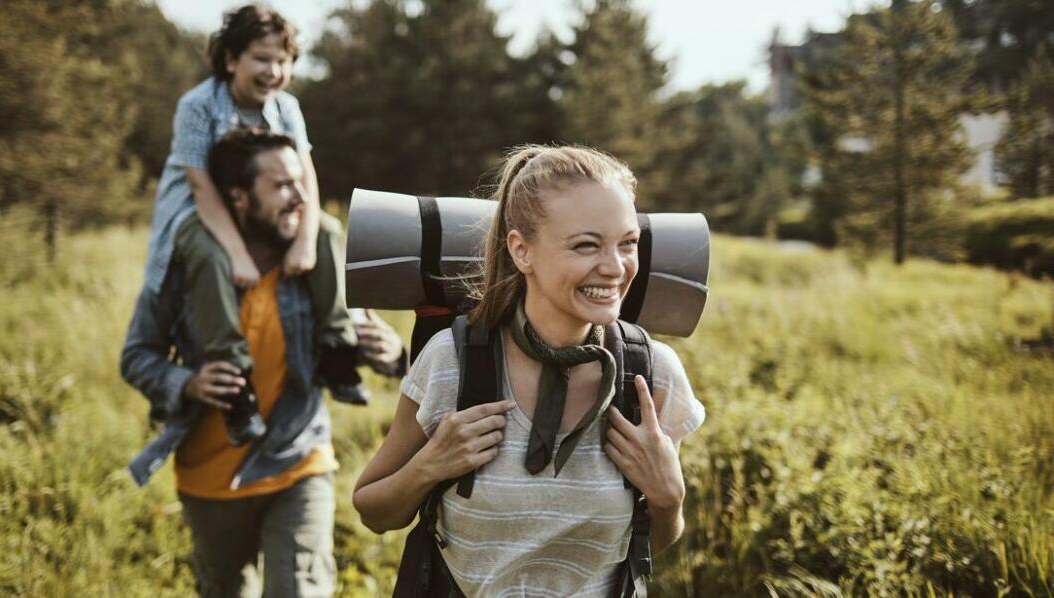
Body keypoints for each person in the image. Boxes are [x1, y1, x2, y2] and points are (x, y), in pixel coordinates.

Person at [352, 145, 705, 597]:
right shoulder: (451, 363)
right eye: (586, 245)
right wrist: (428, 467)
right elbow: (373, 511)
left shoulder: (652, 376)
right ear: (522, 251)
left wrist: (668, 497)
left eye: (628, 243)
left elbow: (646, 546)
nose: (616, 267)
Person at [121, 129, 408, 597]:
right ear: (238, 197)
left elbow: (368, 346)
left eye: (300, 182)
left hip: (297, 463)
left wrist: (395, 355)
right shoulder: (188, 266)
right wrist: (188, 382)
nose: (300, 198)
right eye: (281, 186)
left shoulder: (312, 264)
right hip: (208, 480)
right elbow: (136, 356)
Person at [143, 3, 368, 412]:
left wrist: (303, 240)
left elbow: (306, 176)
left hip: (267, 208)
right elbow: (200, 184)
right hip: (200, 208)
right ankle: (234, 370)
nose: (273, 71)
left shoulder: (286, 108)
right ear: (231, 59)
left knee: (328, 231)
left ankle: (336, 348)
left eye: (282, 61)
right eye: (261, 59)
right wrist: (236, 253)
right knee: (207, 253)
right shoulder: (197, 105)